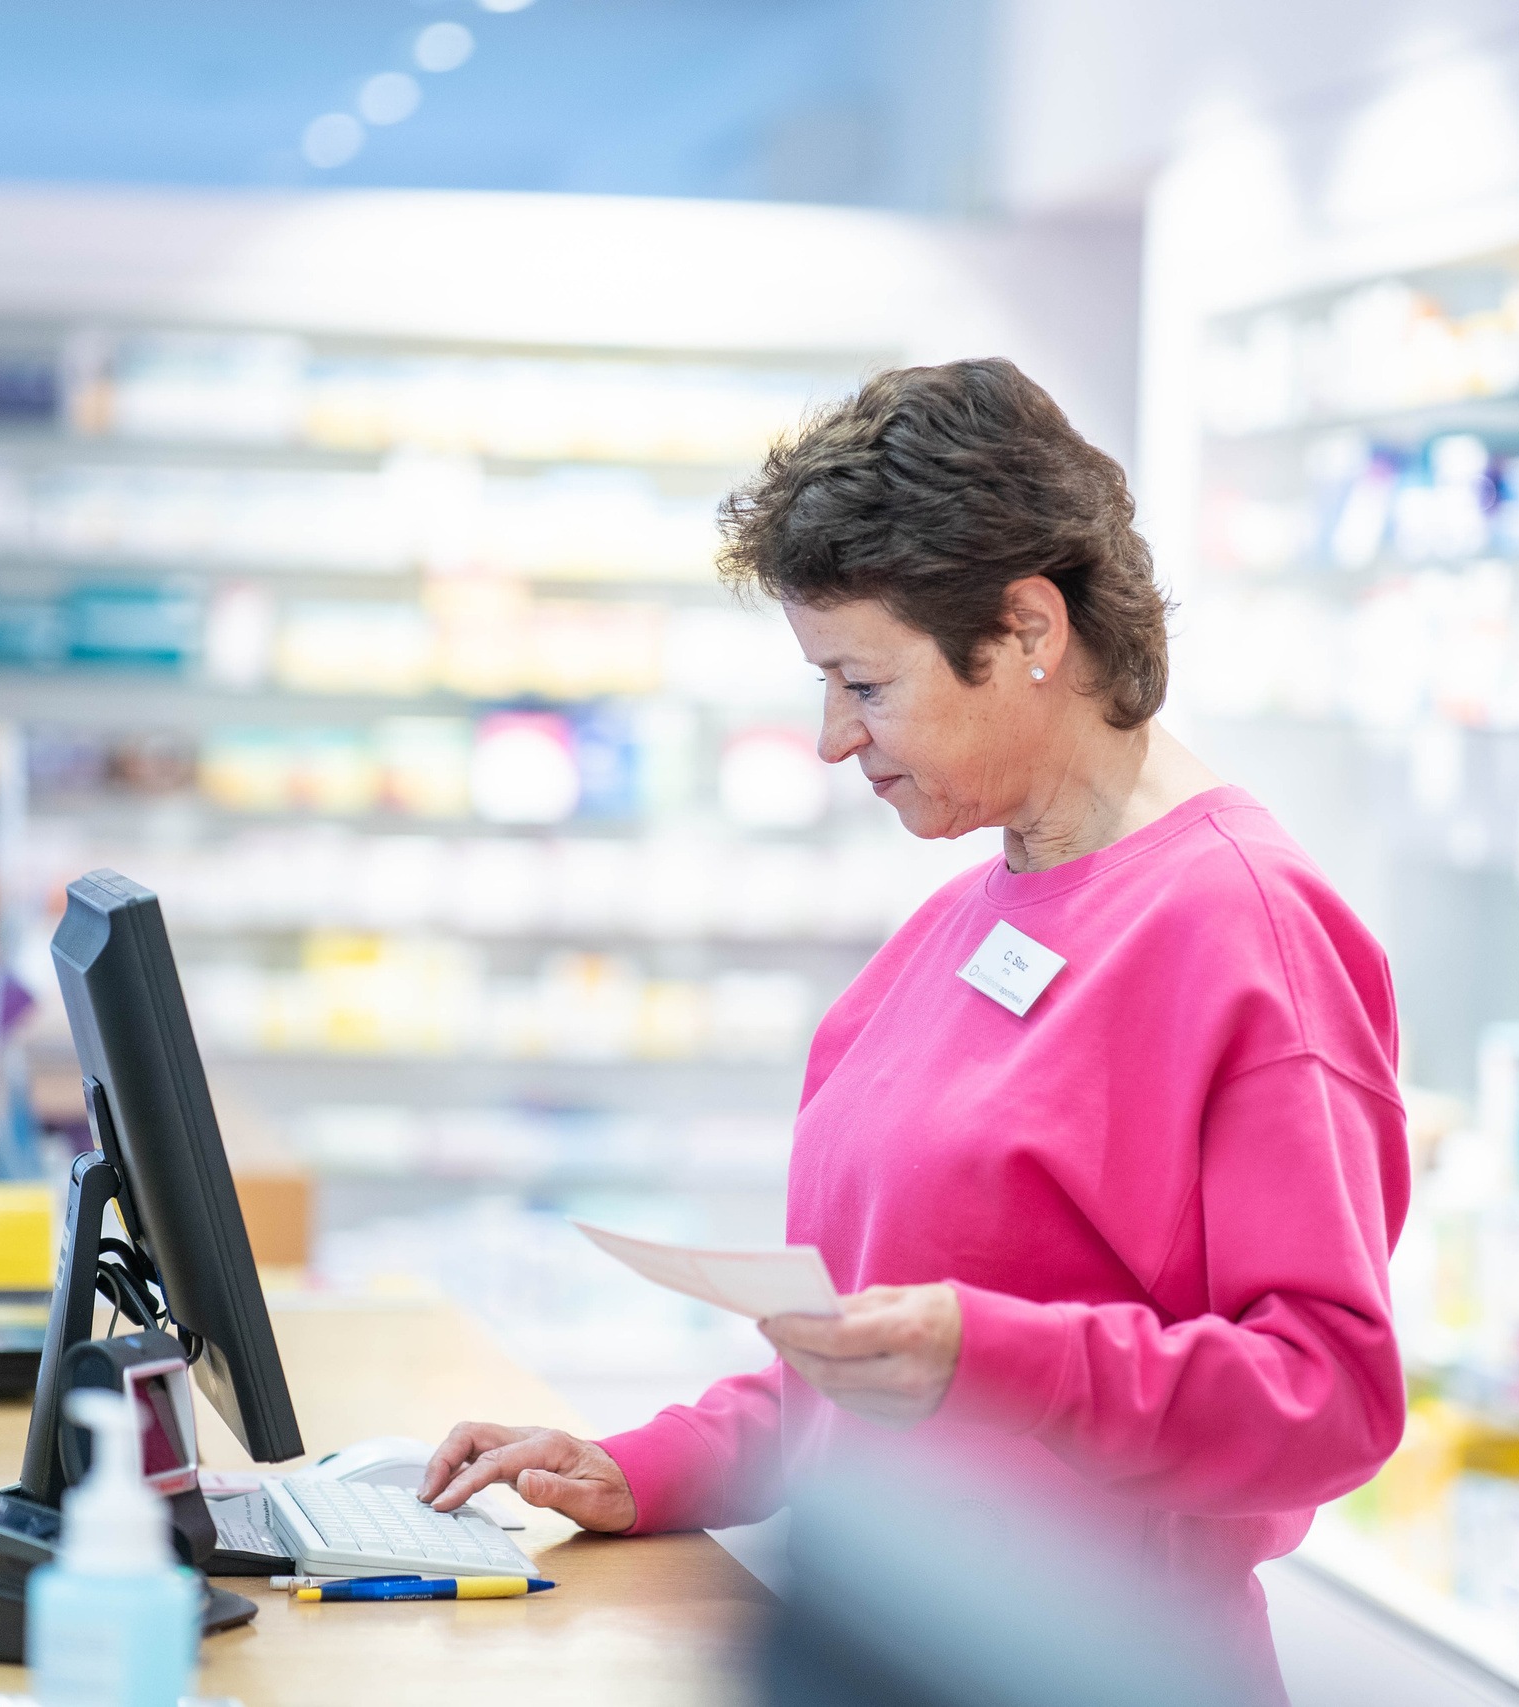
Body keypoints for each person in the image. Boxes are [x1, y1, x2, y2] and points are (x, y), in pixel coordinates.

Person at [419, 357, 1409, 1697]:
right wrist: (638, 1466)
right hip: (888, 1644)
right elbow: (873, 1357)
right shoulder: (962, 927)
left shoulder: (1250, 935)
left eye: (865, 685)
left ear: (1028, 631)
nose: (834, 739)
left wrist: (989, 1355)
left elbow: (1329, 1399)